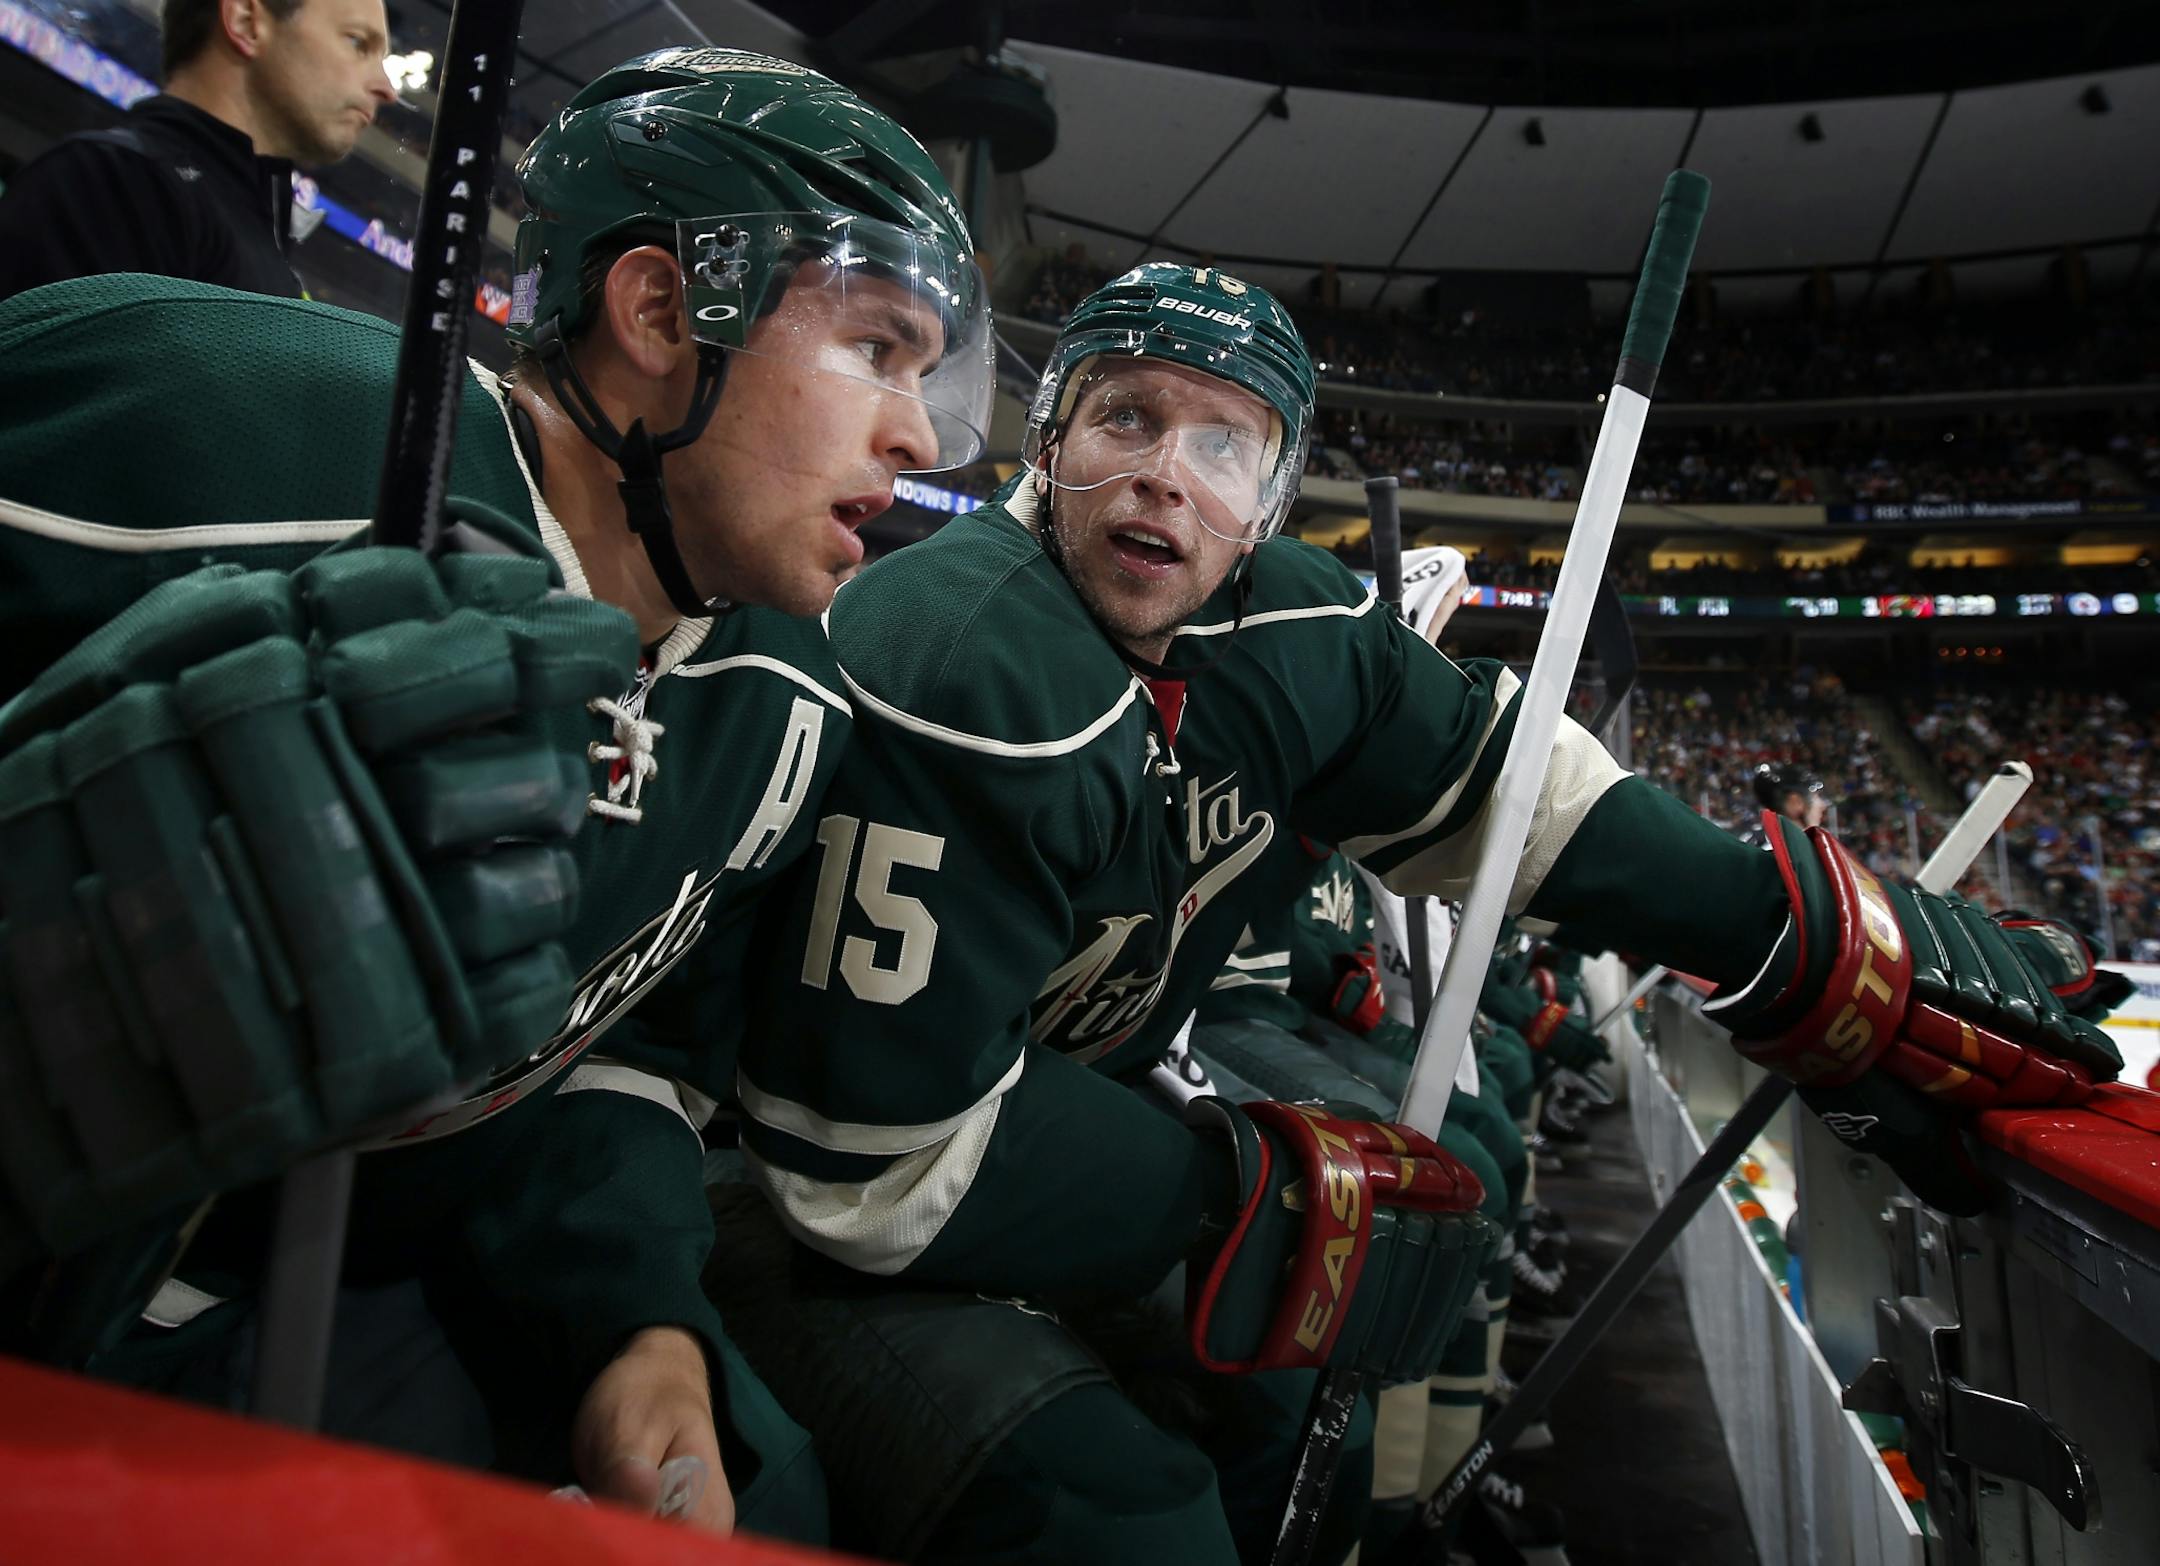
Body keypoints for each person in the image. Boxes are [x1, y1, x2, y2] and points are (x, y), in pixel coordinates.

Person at [710, 262, 2123, 1564]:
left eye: (1222, 444)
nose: (1162, 481)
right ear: (1046, 442)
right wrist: (1231, 1192)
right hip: (783, 1179)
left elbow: (1525, 800)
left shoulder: (1291, 628)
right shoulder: (965, 657)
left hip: (1029, 1102)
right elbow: (869, 1162)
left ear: (1273, 493)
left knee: (1275, 1378)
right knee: (1110, 1508)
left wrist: (1781, 937)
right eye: (1124, 419)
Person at [0, 47, 991, 1541]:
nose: (918, 438)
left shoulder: (784, 704)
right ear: (660, 312)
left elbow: (621, 1047)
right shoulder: (211, 417)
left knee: (768, 1482)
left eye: (931, 375)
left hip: (314, 1323)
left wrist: (629, 1321)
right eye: (874, 347)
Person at [0, 0, 399, 302]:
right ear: (246, 22)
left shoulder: (259, 232)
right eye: (357, 42)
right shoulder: (111, 184)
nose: (387, 88)